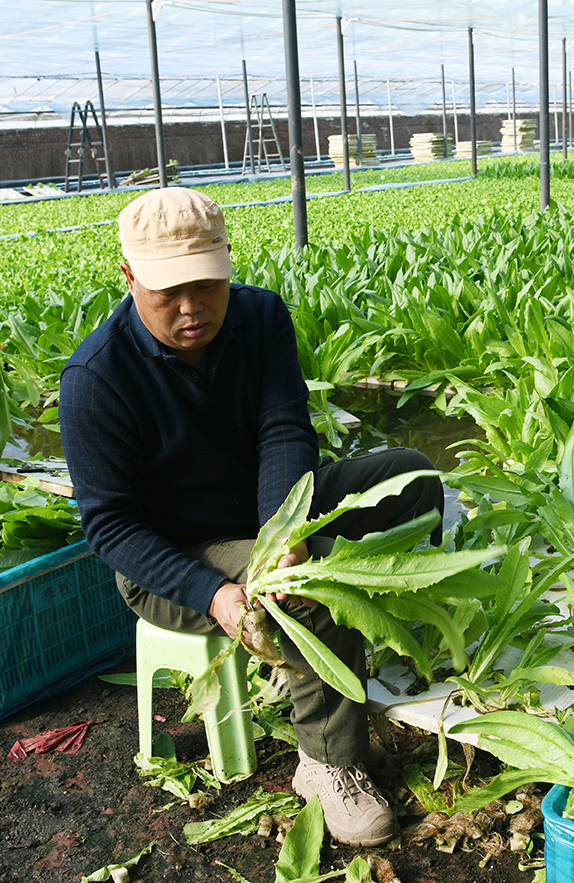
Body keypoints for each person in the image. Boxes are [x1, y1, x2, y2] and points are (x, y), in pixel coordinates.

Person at [60, 187, 443, 847]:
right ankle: (328, 763)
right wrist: (216, 593)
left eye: (207, 285)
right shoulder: (97, 378)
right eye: (167, 292)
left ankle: (396, 634)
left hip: (268, 511)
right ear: (128, 278)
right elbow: (113, 527)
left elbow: (283, 429)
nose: (191, 308)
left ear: (228, 263)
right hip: (178, 554)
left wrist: (279, 532)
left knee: (409, 474)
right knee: (312, 588)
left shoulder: (261, 317)